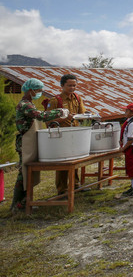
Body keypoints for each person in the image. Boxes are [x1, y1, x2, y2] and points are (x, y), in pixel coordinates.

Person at [12, 78, 69, 211]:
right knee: (24, 173)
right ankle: (17, 204)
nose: (40, 92)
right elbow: (40, 116)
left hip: (30, 141)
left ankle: (25, 201)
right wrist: (59, 112)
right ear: (30, 90)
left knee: (27, 173)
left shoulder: (30, 103)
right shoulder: (25, 105)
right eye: (38, 90)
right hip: (25, 142)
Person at [46, 74, 87, 195]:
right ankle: (62, 190)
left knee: (75, 160)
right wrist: (63, 118)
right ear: (62, 85)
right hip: (61, 135)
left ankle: (75, 185)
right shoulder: (55, 101)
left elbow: (82, 114)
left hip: (74, 133)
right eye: (69, 85)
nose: (72, 88)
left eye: (74, 85)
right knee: (62, 162)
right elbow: (48, 121)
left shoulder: (77, 98)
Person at [118, 103, 133, 197]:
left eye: (127, 110)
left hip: (132, 148)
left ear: (132, 113)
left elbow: (131, 139)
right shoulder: (130, 122)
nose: (125, 112)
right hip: (130, 149)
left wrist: (123, 148)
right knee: (131, 169)